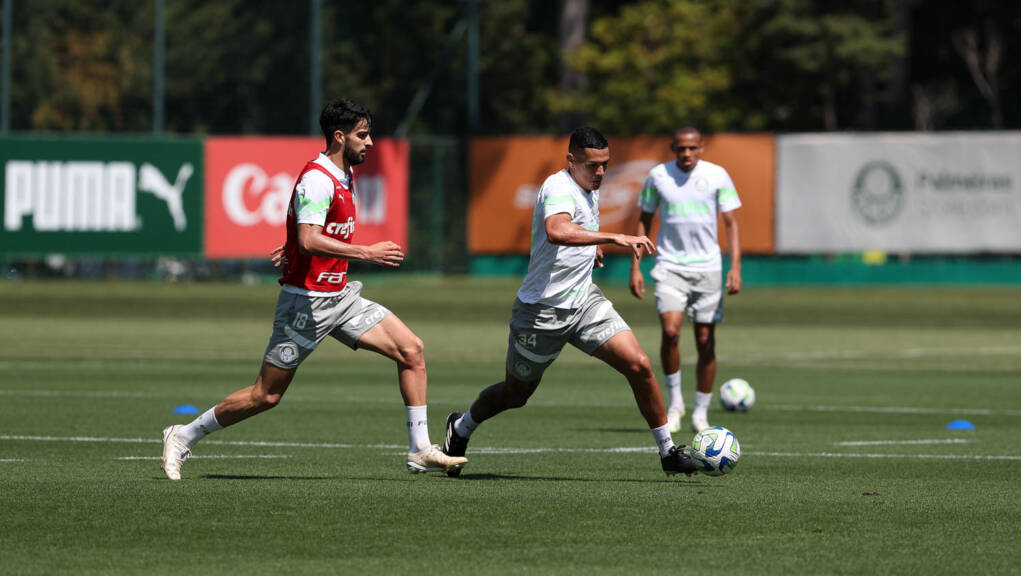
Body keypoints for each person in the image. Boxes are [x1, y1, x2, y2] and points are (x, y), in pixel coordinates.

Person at [160, 98, 467, 480]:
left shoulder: (343, 174)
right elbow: (308, 239)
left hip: (341, 298)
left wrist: (293, 245)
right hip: (305, 305)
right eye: (362, 135)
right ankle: (183, 434)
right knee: (266, 395)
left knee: (411, 350)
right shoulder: (319, 180)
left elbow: (307, 234)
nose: (370, 142)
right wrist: (364, 252)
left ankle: (420, 449)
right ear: (339, 136)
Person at [441, 127, 697, 478]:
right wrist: (614, 237)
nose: (601, 172)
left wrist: (592, 250)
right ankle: (461, 427)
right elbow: (557, 230)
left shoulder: (589, 186)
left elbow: (575, 233)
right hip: (542, 313)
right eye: (593, 165)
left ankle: (668, 452)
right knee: (516, 394)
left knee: (639, 364)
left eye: (605, 164)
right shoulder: (558, 187)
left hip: (585, 302)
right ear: (571, 160)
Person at [628, 126, 742, 434]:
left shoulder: (717, 175)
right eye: (681, 148)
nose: (687, 154)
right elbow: (644, 220)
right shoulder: (658, 176)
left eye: (692, 148)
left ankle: (701, 412)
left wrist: (735, 266)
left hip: (708, 268)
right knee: (671, 332)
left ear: (701, 147)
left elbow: (731, 223)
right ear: (673, 148)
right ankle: (675, 403)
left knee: (705, 340)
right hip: (670, 266)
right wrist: (636, 268)